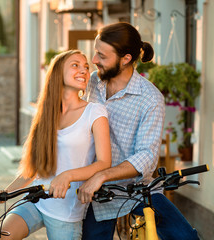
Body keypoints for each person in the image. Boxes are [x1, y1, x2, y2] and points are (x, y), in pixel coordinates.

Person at [77, 22, 200, 240]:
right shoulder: (94, 81)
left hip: (136, 191)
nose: (94, 60)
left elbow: (147, 157)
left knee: (186, 237)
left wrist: (103, 174)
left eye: (102, 56)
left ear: (125, 59)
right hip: (95, 192)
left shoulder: (150, 98)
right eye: (96, 53)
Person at [0, 50, 111, 240]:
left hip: (66, 211)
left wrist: (67, 176)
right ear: (58, 72)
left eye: (86, 67)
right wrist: (3, 194)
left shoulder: (95, 112)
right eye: (75, 65)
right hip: (36, 200)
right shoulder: (45, 113)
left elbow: (104, 162)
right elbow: (33, 169)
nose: (84, 70)